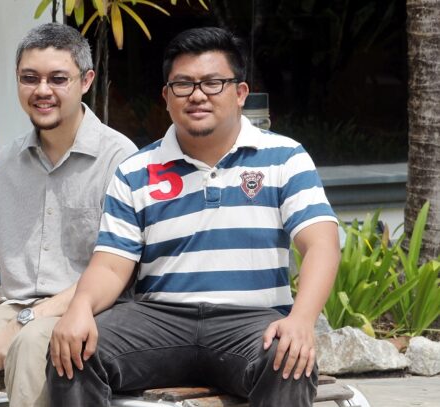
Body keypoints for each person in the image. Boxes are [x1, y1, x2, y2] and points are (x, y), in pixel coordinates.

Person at [47, 26, 340, 407]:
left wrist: (301, 320)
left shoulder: (285, 158)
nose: (198, 95)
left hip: (250, 323)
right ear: (166, 97)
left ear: (240, 93)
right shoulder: (136, 170)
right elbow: (110, 267)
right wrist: (80, 308)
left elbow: (321, 245)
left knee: (287, 357)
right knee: (73, 350)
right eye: (183, 84)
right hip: (158, 320)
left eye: (213, 83)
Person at [0, 23, 137, 407]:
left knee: (30, 350)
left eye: (58, 79)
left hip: (87, 312)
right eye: (29, 78)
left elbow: (116, 271)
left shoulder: (119, 160)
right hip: (11, 310)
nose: (42, 90)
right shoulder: (6, 163)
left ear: (86, 81)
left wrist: (28, 321)